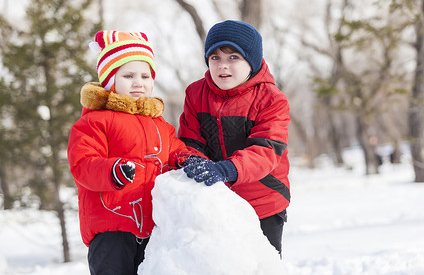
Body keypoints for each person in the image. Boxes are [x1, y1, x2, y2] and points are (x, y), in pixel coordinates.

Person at [67, 31, 198, 274]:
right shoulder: (95, 121)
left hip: (152, 227)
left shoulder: (160, 124)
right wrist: (112, 171)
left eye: (145, 76)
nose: (138, 82)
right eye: (128, 75)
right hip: (111, 227)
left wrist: (188, 159)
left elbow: (175, 150)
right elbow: (83, 163)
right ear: (109, 81)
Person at [178, 20, 291, 256]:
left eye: (233, 57)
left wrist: (228, 169)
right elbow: (190, 141)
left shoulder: (271, 99)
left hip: (262, 202)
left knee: (260, 267)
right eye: (215, 58)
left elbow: (266, 150)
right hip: (216, 201)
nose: (222, 66)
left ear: (251, 61)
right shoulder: (196, 94)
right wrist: (193, 161)